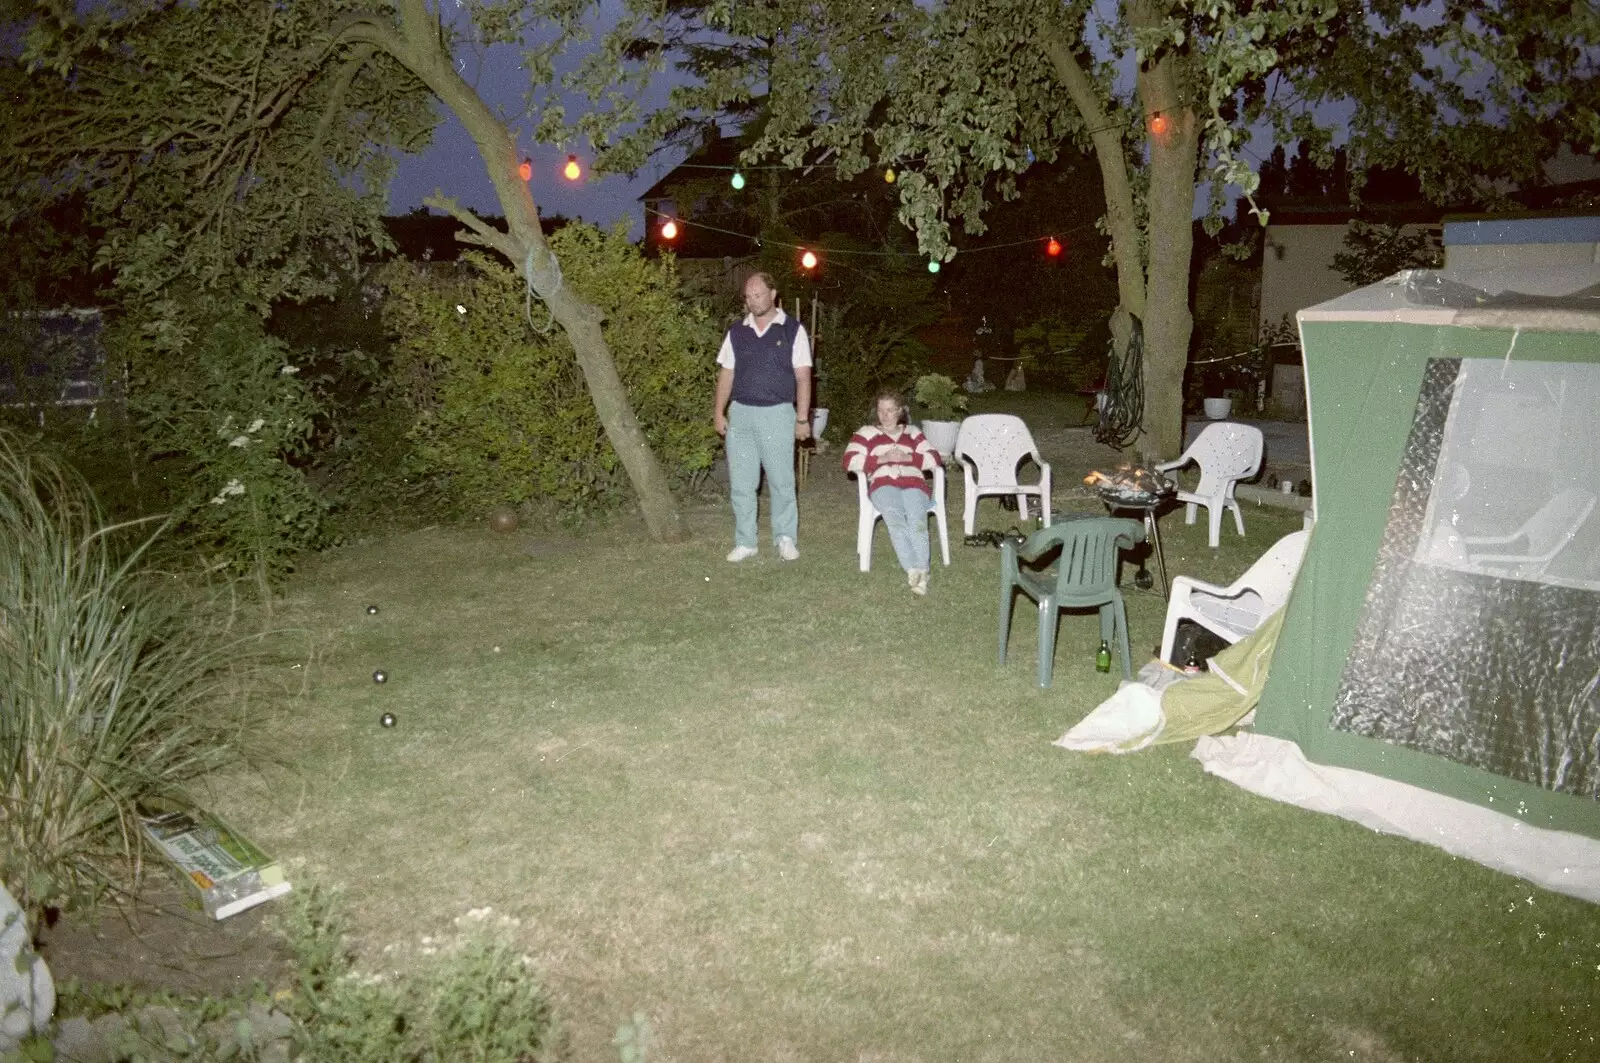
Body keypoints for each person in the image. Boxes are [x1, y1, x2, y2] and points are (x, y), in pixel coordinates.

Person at [713, 272, 813, 562]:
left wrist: (802, 418)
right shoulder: (737, 332)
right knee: (742, 483)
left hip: (778, 414)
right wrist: (718, 412)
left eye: (758, 294)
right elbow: (727, 373)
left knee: (782, 481)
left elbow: (803, 377)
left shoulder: (792, 330)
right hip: (741, 414)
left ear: (773, 294)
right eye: (748, 296)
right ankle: (746, 541)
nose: (753, 301)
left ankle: (785, 537)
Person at [842, 390, 943, 595]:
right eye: (881, 410)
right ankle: (913, 570)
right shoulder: (866, 433)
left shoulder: (912, 432)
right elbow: (849, 461)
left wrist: (909, 459)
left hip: (914, 483)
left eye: (890, 410)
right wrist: (882, 459)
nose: (885, 416)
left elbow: (934, 458)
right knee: (895, 518)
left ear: (900, 411)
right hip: (883, 484)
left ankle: (922, 570)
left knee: (917, 520)